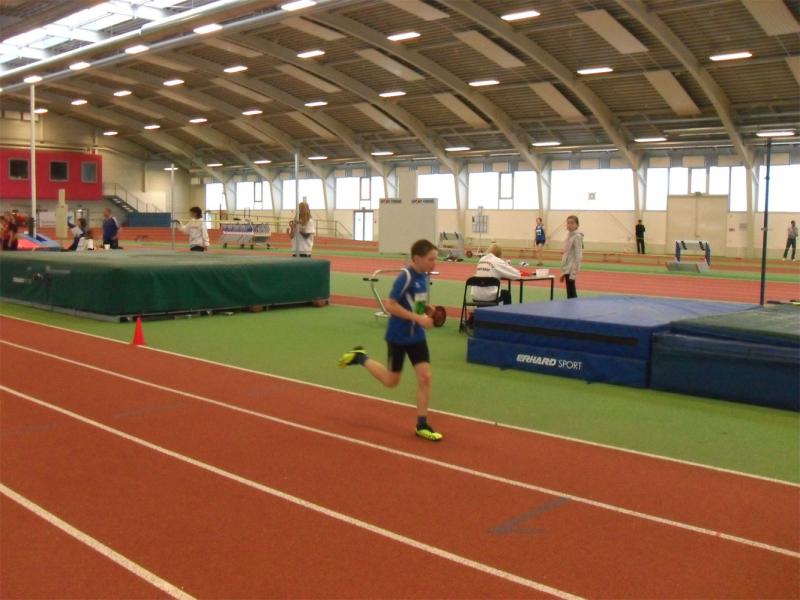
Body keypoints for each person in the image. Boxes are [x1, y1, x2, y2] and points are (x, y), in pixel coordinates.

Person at [338, 239, 443, 442]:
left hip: (416, 336)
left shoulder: (424, 277)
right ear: (417, 259)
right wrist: (418, 318)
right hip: (398, 336)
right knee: (391, 381)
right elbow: (390, 305)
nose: (434, 263)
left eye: (435, 259)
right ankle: (360, 357)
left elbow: (416, 305)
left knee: (425, 377)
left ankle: (422, 424)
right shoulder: (405, 277)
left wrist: (426, 310)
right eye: (430, 259)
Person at [560, 215, 583, 299]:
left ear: (577, 225)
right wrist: (563, 272)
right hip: (567, 267)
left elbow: (578, 254)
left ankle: (574, 306)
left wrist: (573, 273)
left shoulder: (577, 237)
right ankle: (571, 305)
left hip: (572, 268)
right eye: (568, 223)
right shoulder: (569, 235)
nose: (569, 225)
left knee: (572, 293)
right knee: (569, 292)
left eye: (572, 223)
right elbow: (567, 253)